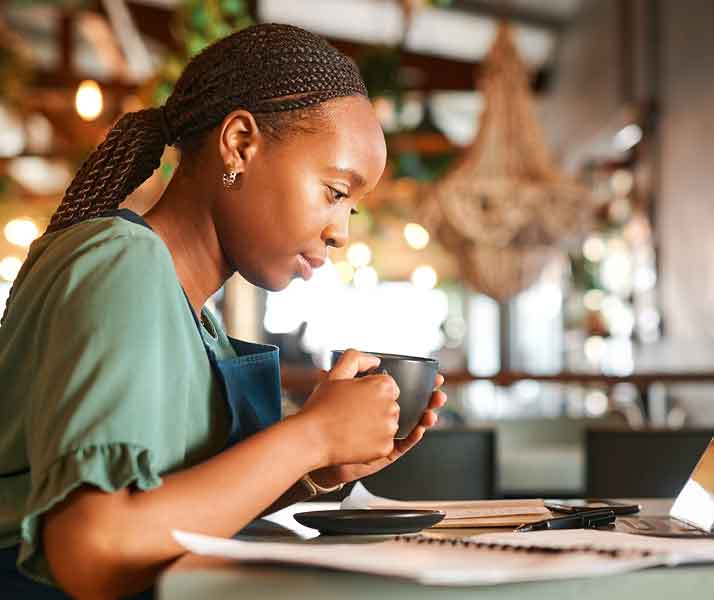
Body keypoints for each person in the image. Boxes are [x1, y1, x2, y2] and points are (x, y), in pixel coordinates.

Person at [0, 23, 446, 599]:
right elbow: (93, 550)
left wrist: (313, 470)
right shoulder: (122, 263)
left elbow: (164, 514)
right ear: (239, 144)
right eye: (336, 192)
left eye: (354, 209)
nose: (340, 232)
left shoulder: (193, 316)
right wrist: (308, 438)